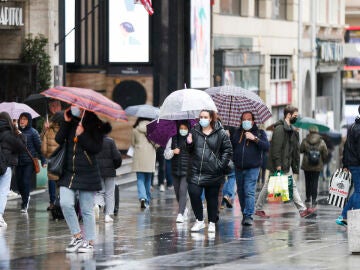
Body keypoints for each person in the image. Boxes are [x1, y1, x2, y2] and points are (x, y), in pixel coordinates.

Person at [56, 106, 111, 253]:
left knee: (86, 209)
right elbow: (58, 139)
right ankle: (77, 235)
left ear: (86, 109)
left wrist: (82, 135)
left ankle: (90, 241)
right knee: (65, 203)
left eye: (80, 107)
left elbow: (96, 148)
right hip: (68, 172)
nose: (76, 108)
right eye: (75, 105)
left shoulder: (95, 125)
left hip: (87, 173)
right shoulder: (71, 121)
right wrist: (66, 122)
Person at [254, 105, 313, 218]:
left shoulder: (289, 129)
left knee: (269, 186)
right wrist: (278, 165)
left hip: (284, 163)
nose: (297, 118)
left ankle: (258, 208)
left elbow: (291, 148)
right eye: (295, 116)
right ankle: (302, 210)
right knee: (290, 186)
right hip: (279, 164)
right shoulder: (280, 129)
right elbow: (276, 148)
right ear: (288, 115)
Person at [186, 110, 232, 233]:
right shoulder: (194, 131)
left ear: (211, 118)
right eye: (201, 117)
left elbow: (228, 150)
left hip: (213, 172)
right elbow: (189, 151)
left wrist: (220, 165)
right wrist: (189, 143)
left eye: (205, 117)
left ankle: (211, 222)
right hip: (196, 170)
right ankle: (199, 221)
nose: (202, 119)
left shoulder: (221, 133)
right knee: (194, 194)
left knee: (212, 199)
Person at [231, 111, 270, 226]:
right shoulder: (237, 133)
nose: (246, 122)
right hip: (238, 167)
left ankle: (248, 215)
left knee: (249, 191)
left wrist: (255, 138)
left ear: (253, 121)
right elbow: (231, 147)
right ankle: (245, 213)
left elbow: (267, 146)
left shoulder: (259, 132)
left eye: (249, 119)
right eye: (244, 119)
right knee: (241, 192)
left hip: (253, 168)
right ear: (241, 121)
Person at [16, 112, 46, 213]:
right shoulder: (16, 132)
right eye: (21, 119)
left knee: (25, 181)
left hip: (29, 162)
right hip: (18, 162)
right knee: (19, 184)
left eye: (24, 119)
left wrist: (43, 160)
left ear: (28, 121)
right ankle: (25, 196)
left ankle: (24, 204)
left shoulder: (33, 132)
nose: (22, 121)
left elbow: (39, 148)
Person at [0, 112, 26, 227]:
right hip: (5, 165)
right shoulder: (9, 134)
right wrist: (18, 131)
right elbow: (22, 147)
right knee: (3, 191)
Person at [336, 105, 360, 226]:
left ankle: (344, 216)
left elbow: (346, 147)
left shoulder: (352, 127)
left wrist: (345, 164)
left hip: (353, 164)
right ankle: (354, 218)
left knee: (357, 191)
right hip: (358, 164)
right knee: (358, 191)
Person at [164, 120, 191, 223]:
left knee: (183, 191)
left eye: (185, 129)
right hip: (175, 170)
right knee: (177, 193)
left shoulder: (191, 139)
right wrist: (173, 151)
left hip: (187, 170)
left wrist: (190, 143)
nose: (183, 130)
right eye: (181, 128)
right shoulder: (173, 138)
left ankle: (180, 214)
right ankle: (184, 209)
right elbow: (166, 155)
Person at [94, 135, 122, 223]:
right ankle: (107, 215)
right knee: (109, 193)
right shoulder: (110, 141)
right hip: (110, 171)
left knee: (100, 191)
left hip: (97, 171)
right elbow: (117, 157)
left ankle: (97, 205)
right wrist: (115, 166)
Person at [300, 126, 328, 212]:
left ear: (309, 131)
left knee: (308, 181)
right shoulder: (321, 141)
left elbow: (301, 150)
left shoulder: (305, 140)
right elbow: (325, 153)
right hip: (317, 165)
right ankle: (314, 199)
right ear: (317, 131)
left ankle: (308, 198)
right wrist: (322, 160)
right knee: (315, 182)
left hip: (307, 165)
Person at [41, 102, 62, 211]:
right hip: (51, 155)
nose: (54, 108)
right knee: (51, 180)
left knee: (61, 179)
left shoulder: (64, 119)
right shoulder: (47, 121)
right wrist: (45, 129)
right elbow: (42, 138)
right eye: (52, 106)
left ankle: (61, 201)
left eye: (56, 106)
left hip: (61, 154)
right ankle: (52, 202)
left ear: (60, 107)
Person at [131, 117, 156, 209]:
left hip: (139, 155)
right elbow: (157, 144)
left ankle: (142, 197)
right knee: (148, 180)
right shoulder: (153, 129)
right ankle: (147, 201)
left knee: (140, 178)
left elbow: (133, 143)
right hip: (150, 156)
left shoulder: (135, 129)